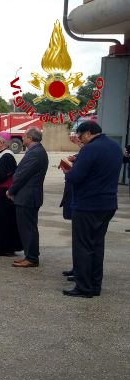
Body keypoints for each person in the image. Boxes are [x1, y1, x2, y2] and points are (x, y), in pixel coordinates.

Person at [63, 121, 123, 297]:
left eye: (80, 136)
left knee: (82, 246)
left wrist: (68, 172)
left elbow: (76, 176)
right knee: (96, 246)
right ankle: (95, 285)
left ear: (88, 133)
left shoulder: (90, 149)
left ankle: (84, 287)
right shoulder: (114, 146)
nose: (80, 140)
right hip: (108, 203)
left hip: (88, 205)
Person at [7, 127, 48, 268]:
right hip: (27, 196)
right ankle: (29, 255)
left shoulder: (35, 153)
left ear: (30, 138)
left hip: (28, 197)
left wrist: (11, 190)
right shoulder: (35, 151)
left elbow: (22, 175)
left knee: (28, 228)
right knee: (27, 228)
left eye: (24, 137)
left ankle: (31, 258)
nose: (22, 138)